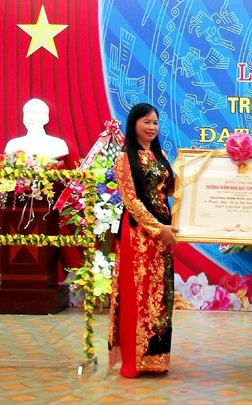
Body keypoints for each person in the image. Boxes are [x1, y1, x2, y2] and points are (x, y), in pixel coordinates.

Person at [108, 103, 179, 378]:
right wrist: (158, 228)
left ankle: (155, 359)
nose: (152, 127)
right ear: (134, 124)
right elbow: (132, 201)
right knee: (136, 293)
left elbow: (170, 189)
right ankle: (133, 361)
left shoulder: (160, 155)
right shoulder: (125, 158)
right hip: (138, 234)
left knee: (159, 294)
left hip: (162, 234)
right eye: (146, 122)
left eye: (155, 123)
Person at [4, 98, 69, 159]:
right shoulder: (13, 145)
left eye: (35, 113)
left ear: (46, 118)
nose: (30, 118)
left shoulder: (58, 145)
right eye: (27, 113)